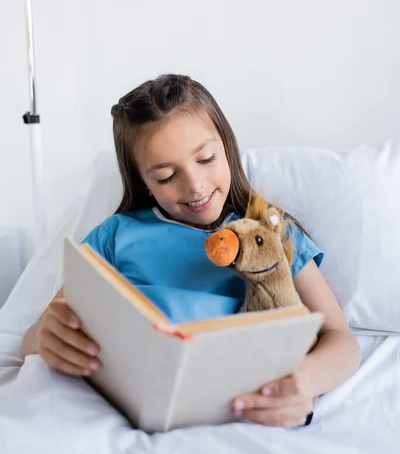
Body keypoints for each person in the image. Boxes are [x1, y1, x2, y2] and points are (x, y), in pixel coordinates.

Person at [21, 74, 361, 428]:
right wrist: (47, 338)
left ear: (227, 148)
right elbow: (36, 334)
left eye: (207, 158)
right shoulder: (115, 235)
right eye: (166, 176)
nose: (194, 185)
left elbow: (341, 339)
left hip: (245, 400)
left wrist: (303, 382)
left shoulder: (268, 230)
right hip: (129, 402)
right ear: (145, 183)